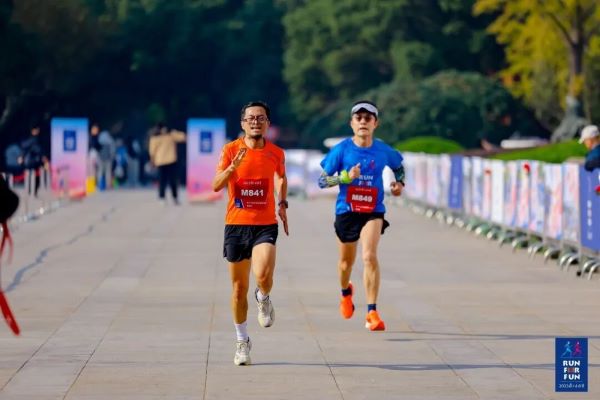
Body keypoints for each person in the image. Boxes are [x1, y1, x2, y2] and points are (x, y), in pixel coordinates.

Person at [212, 101, 288, 366]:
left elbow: (281, 177)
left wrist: (282, 203)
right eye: (251, 118)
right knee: (238, 289)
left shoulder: (276, 153)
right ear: (243, 123)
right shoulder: (230, 150)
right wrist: (231, 168)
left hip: (265, 224)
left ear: (268, 123)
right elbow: (216, 185)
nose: (256, 122)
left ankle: (263, 297)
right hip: (236, 225)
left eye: (261, 118)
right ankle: (242, 341)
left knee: (264, 275)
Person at [318, 100, 404, 331]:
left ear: (376, 123)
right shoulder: (341, 150)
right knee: (345, 263)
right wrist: (345, 177)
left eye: (368, 118)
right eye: (359, 118)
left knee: (369, 256)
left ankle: (372, 312)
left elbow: (398, 167)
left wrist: (399, 184)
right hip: (347, 211)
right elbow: (322, 181)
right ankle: (345, 292)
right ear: (352, 123)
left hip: (372, 210)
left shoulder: (383, 150)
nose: (363, 121)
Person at [149, 123, 186, 204]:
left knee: (173, 181)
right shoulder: (155, 138)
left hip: (171, 161)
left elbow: (183, 137)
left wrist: (173, 132)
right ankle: (162, 197)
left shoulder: (171, 135)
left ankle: (175, 197)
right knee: (162, 181)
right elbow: (152, 151)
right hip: (161, 162)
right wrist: (152, 161)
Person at [19, 124, 48, 198]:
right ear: (32, 131)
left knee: (37, 177)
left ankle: (34, 191)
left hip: (37, 161)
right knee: (30, 176)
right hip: (30, 160)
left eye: (37, 130)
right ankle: (30, 191)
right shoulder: (30, 140)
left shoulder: (40, 139)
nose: (36, 131)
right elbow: (24, 149)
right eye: (35, 130)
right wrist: (21, 156)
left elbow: (41, 150)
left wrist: (44, 157)